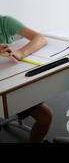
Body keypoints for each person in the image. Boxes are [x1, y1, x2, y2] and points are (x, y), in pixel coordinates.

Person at [0, 15, 53, 143]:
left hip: (8, 83)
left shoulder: (4, 22)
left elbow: (40, 38)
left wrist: (20, 53)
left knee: (45, 117)